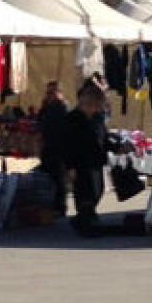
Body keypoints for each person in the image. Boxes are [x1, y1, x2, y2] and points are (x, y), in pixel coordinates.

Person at [64, 83, 111, 235]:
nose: (96, 108)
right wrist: (70, 167)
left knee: (98, 191)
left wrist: (117, 147)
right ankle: (85, 222)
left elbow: (104, 139)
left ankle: (85, 218)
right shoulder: (73, 120)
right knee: (84, 193)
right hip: (80, 163)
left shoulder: (97, 119)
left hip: (96, 162)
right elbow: (68, 144)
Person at [37, 81, 70, 215]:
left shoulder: (63, 107)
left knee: (59, 179)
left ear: (59, 93)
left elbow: (65, 129)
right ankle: (49, 205)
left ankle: (60, 207)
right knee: (48, 176)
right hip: (48, 146)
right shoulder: (48, 107)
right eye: (47, 93)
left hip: (59, 147)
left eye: (51, 92)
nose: (49, 95)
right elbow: (41, 121)